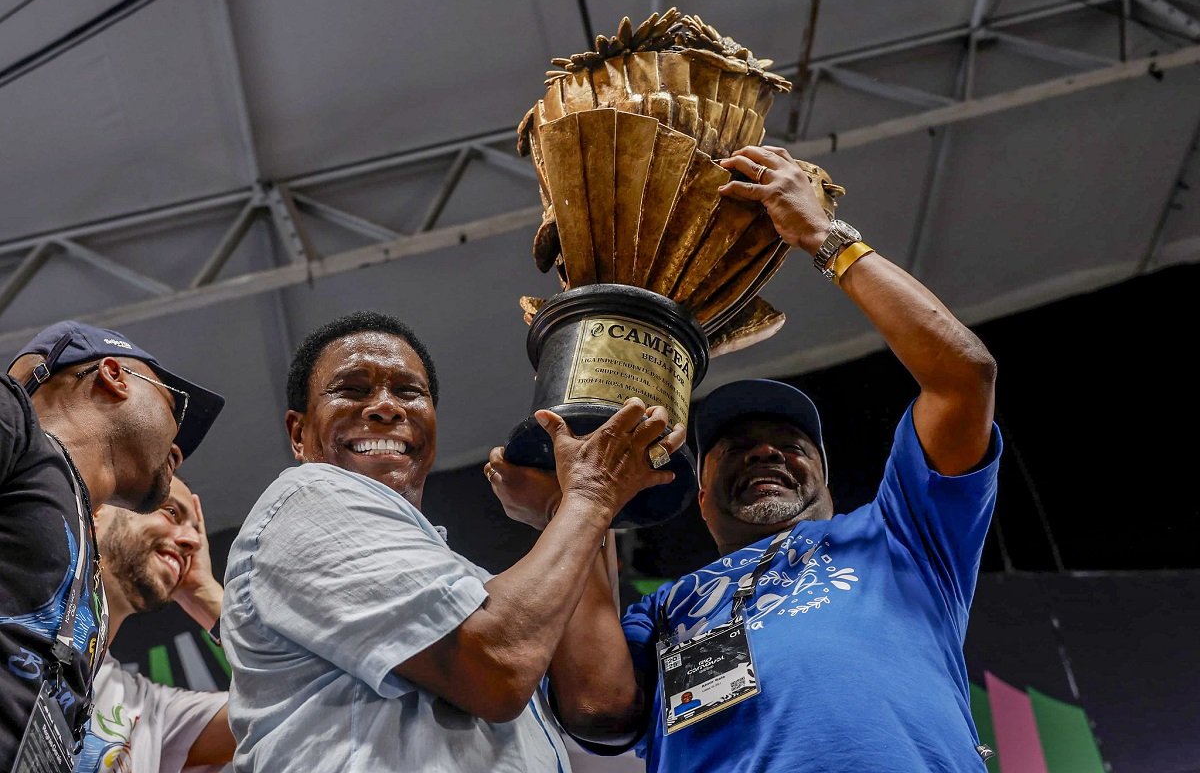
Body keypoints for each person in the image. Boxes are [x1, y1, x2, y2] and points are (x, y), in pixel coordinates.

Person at [491, 144, 1001, 771]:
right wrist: (572, 501)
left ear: (826, 477)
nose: (765, 449)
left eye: (791, 445)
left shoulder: (901, 537)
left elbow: (964, 377)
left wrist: (825, 237)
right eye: (734, 445)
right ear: (699, 494)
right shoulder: (669, 609)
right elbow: (599, 708)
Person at [221, 311, 686, 772]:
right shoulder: (306, 502)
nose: (387, 407)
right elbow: (498, 666)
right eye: (352, 389)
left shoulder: (469, 586)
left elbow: (599, 705)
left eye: (409, 392)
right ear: (299, 434)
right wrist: (589, 495)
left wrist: (560, 510)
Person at [1, 321, 224, 769]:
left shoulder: (85, 597)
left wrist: (204, 591)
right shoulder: (17, 427)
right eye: (172, 405)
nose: (177, 448)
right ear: (113, 376)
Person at [77, 475, 234, 772]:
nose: (193, 542)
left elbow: (301, 706)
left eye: (195, 532)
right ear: (96, 512)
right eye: (172, 512)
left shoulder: (149, 713)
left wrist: (204, 594)